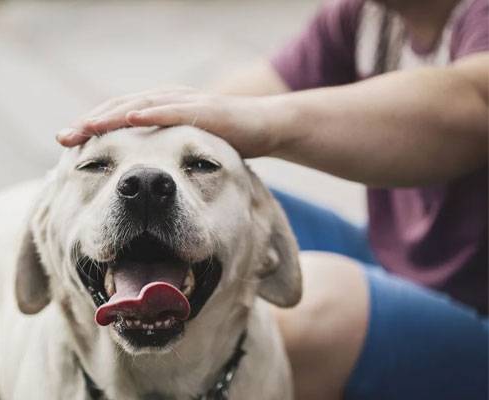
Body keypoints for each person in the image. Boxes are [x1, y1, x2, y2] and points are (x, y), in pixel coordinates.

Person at [56, 0, 489, 399]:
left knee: (311, 306)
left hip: (477, 316)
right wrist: (111, 163)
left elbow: (476, 99)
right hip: (391, 256)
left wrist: (264, 123)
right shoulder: (363, 16)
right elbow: (219, 104)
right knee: (221, 201)